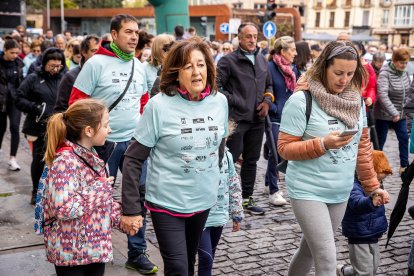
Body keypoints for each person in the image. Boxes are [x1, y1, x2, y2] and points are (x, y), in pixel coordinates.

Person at [277, 40, 390, 275]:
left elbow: (363, 147)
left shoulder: (356, 101)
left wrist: (372, 187)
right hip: (308, 190)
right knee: (327, 259)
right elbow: (284, 148)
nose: (344, 79)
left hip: (340, 191)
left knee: (309, 250)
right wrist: (322, 144)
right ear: (323, 67)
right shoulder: (301, 100)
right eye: (338, 72)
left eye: (350, 73)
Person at [121, 37, 228, 276]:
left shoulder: (220, 102)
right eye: (188, 66)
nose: (196, 71)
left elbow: (220, 144)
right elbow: (133, 159)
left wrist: (211, 178)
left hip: (203, 200)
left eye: (201, 64)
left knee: (189, 262)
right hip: (167, 202)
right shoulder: (158, 106)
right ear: (175, 72)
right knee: (178, 268)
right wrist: (131, 208)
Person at [68, 14, 155, 274]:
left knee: (137, 199)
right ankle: (90, 249)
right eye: (128, 31)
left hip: (134, 144)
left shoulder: (138, 66)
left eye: (136, 32)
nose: (133, 37)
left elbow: (144, 103)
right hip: (102, 147)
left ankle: (137, 253)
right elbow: (76, 103)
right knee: (97, 198)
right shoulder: (96, 64)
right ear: (114, 35)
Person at [41, 99, 124, 276]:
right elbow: (63, 208)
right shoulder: (65, 161)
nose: (109, 130)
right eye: (106, 125)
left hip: (94, 248)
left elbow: (100, 203)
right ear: (89, 130)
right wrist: (99, 189)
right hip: (70, 252)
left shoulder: (94, 157)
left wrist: (121, 218)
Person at [217, 22, 273, 215]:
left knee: (251, 161)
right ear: (239, 38)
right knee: (229, 161)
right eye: (248, 36)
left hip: (257, 121)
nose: (252, 40)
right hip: (237, 120)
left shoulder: (262, 59)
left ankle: (247, 200)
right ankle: (224, 200)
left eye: (255, 36)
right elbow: (215, 87)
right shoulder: (228, 61)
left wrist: (267, 101)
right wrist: (235, 100)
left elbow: (269, 85)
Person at [15, 47, 66, 205]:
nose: (55, 69)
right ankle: (36, 190)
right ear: (44, 64)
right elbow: (18, 98)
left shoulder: (64, 78)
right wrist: (36, 108)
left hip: (58, 127)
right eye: (52, 66)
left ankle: (53, 190)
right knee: (39, 160)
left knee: (58, 160)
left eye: (59, 66)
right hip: (37, 126)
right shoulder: (33, 78)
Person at [197, 122, 244, 276]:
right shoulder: (198, 157)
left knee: (211, 253)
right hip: (199, 217)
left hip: (219, 215)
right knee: (206, 257)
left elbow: (233, 185)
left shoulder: (228, 157)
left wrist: (236, 214)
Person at [337, 150, 392, 276]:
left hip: (373, 233)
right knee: (365, 271)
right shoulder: (352, 185)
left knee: (373, 267)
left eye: (380, 181)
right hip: (358, 234)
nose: (378, 184)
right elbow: (356, 203)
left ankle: (344, 272)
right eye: (377, 179)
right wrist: (371, 201)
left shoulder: (376, 184)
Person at [264, 36, 298, 206]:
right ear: (283, 51)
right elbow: (264, 90)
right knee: (277, 152)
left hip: (289, 117)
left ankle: (267, 182)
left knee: (275, 151)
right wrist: (274, 107)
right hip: (273, 116)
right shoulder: (269, 67)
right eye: (292, 50)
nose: (296, 53)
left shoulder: (293, 69)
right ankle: (274, 191)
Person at [374, 47, 411, 175]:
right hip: (384, 115)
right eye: (401, 62)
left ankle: (404, 167)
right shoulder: (385, 73)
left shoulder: (405, 74)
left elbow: (408, 92)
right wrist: (393, 112)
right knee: (380, 142)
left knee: (404, 138)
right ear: (394, 61)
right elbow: (382, 95)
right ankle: (377, 169)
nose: (404, 65)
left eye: (406, 63)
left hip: (400, 115)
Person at [54, 35, 100, 113]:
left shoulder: (106, 74)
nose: (98, 54)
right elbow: (61, 108)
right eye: (94, 51)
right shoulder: (71, 77)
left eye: (100, 51)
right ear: (84, 52)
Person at [0, 39, 24, 171]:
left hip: (15, 101)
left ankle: (13, 158)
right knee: (1, 128)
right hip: (1, 101)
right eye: (12, 52)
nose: (15, 55)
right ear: (5, 50)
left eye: (17, 52)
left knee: (15, 128)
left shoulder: (19, 64)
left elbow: (21, 82)